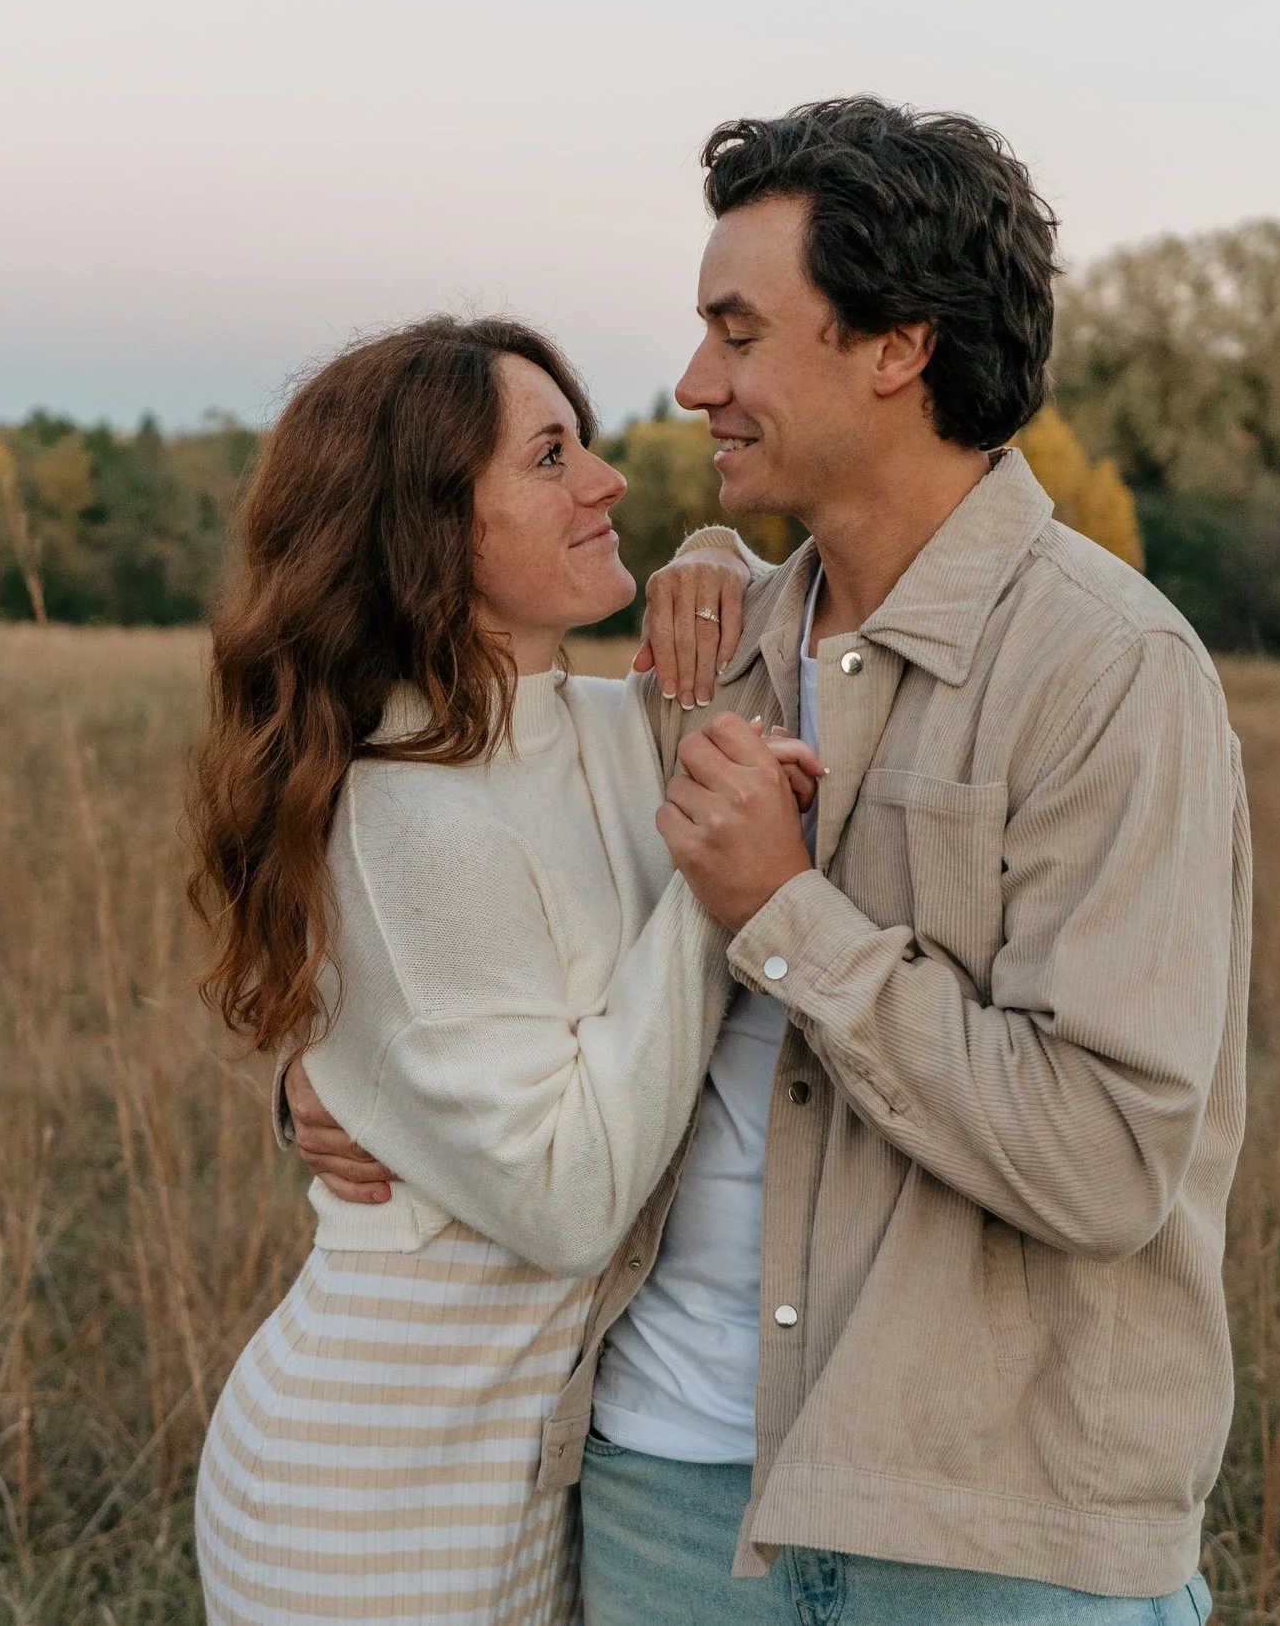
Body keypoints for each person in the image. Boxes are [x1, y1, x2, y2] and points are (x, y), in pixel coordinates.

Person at [287, 97, 1249, 1624]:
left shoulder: (1109, 669)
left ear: (897, 347)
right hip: (666, 1502)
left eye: (738, 334)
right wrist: (333, 1079)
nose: (690, 386)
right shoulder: (712, 656)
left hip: (983, 1534)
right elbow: (492, 921)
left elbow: (1108, 1155)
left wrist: (787, 915)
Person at [185, 315, 821, 1625]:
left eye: (583, 442)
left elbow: (763, 650)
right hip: (367, 1495)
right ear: (429, 525)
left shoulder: (593, 726)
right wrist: (724, 890)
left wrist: (716, 558)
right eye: (550, 456)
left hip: (527, 1479)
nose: (608, 479)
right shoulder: (407, 815)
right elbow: (566, 1194)